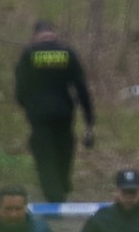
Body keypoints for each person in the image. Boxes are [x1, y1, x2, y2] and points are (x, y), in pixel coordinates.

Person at [14, 19, 95, 203]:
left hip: (38, 114)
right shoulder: (67, 53)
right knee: (64, 150)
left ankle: (54, 197)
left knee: (45, 155)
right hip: (64, 112)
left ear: (35, 35)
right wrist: (89, 119)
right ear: (54, 34)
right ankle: (63, 186)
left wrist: (27, 106)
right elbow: (81, 88)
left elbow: (20, 89)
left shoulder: (28, 54)